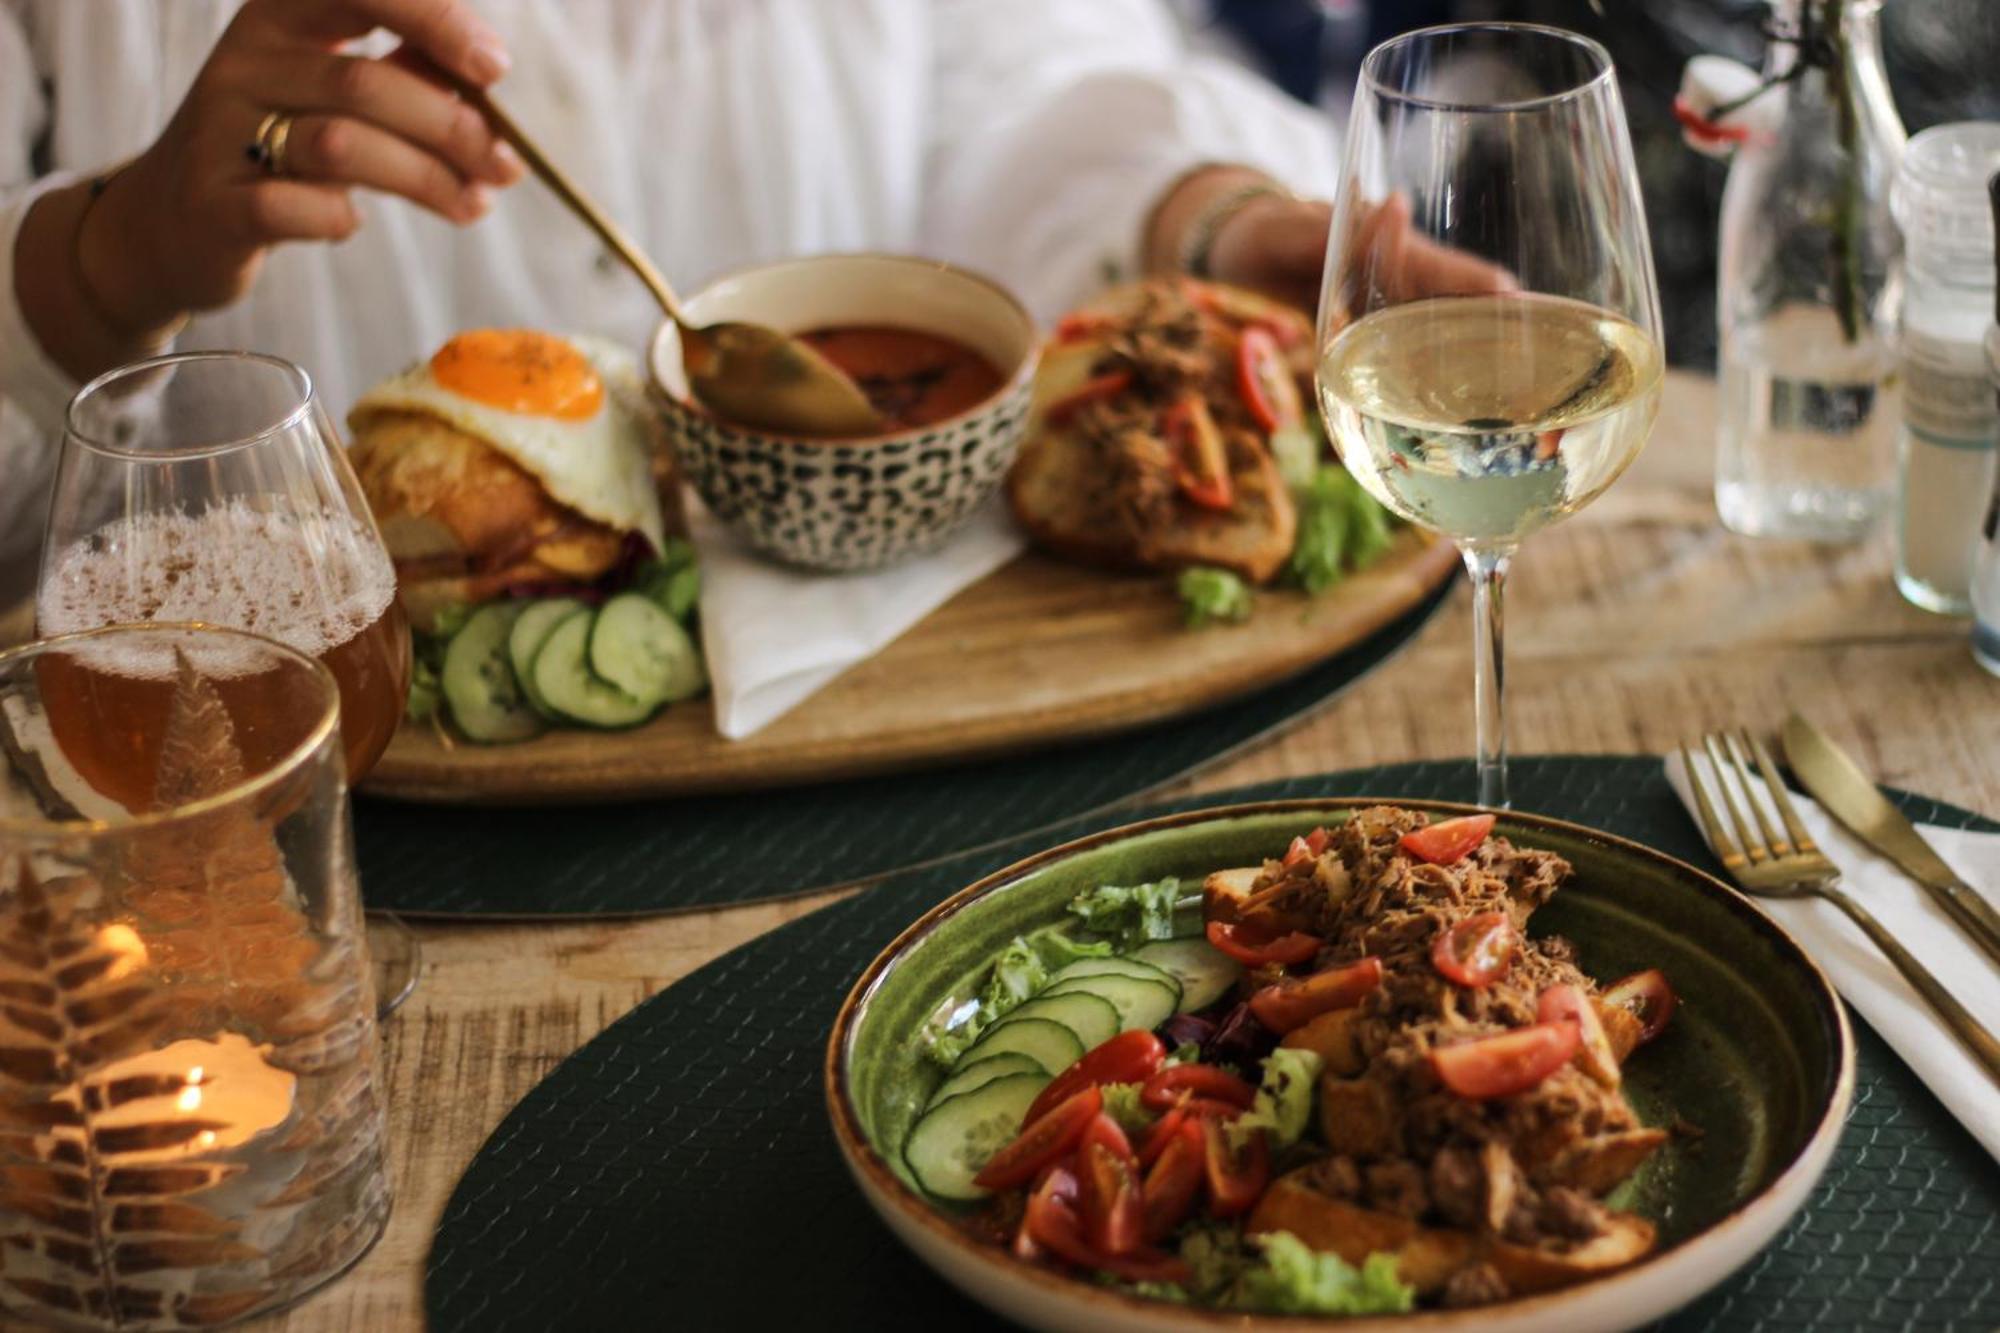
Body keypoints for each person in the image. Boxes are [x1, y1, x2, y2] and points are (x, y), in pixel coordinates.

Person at [0, 0, 1350, 605]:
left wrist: (1204, 221)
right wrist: (108, 265)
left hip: (906, 756)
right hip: (283, 824)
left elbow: (1032, 78)